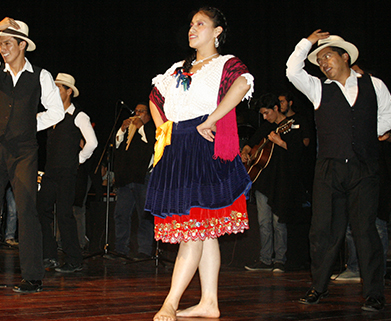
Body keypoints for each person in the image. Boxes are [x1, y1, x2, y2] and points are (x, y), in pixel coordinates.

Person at [146, 7, 253, 320]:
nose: (192, 29)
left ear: (217, 31)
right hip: (177, 149)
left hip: (201, 150)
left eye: (201, 24)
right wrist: (163, 128)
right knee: (204, 232)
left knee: (193, 229)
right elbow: (154, 97)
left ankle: (170, 303)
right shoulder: (176, 68)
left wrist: (212, 120)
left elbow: (244, 83)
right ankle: (209, 302)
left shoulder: (225, 63)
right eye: (191, 24)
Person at [286, 30, 391, 311]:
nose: (323, 63)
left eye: (328, 57)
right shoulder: (318, 87)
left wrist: (368, 137)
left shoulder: (374, 84)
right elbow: (292, 70)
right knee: (322, 232)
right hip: (329, 169)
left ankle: (374, 294)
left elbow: (388, 116)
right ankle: (318, 287)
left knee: (366, 232)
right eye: (319, 60)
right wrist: (307, 42)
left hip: (364, 168)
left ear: (345, 56)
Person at [0, 17, 64, 293]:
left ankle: (32, 275)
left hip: (24, 151)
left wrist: (29, 124)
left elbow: (57, 111)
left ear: (22, 45)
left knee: (27, 210)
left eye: (7, 43)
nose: (1, 48)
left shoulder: (40, 75)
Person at [38, 73, 97, 273]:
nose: (55, 91)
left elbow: (92, 142)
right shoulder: (51, 114)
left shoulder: (78, 115)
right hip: (50, 172)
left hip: (67, 173)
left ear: (69, 91)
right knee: (42, 210)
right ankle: (50, 255)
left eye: (59, 88)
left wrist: (77, 160)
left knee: (64, 214)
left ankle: (74, 259)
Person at [241, 94, 304, 273]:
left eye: (267, 113)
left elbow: (299, 151)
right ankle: (265, 259)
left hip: (282, 180)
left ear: (276, 109)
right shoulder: (266, 127)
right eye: (262, 114)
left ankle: (280, 260)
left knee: (278, 222)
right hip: (263, 181)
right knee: (263, 222)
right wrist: (246, 152)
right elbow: (251, 143)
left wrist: (281, 142)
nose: (265, 117)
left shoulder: (290, 125)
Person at [107, 103, 155, 260]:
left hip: (143, 179)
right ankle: (120, 249)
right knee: (121, 215)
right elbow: (118, 147)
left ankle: (144, 251)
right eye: (136, 111)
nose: (137, 114)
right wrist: (122, 129)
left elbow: (151, 145)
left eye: (141, 111)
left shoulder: (151, 128)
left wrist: (140, 127)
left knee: (144, 216)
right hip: (126, 179)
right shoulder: (128, 131)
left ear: (148, 115)